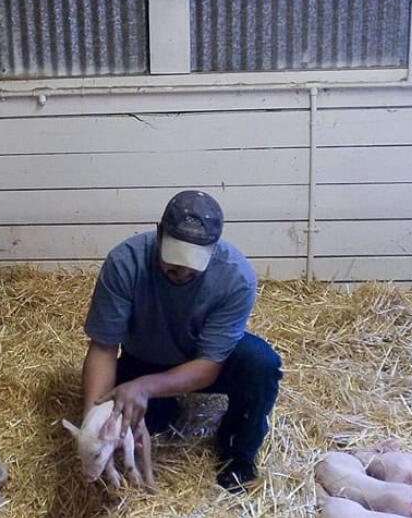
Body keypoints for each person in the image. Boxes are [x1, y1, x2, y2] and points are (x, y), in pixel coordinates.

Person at [80, 189, 282, 492]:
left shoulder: (235, 276)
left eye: (193, 261)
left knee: (261, 364)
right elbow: (104, 348)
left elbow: (209, 365)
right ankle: (166, 406)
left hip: (200, 359)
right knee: (141, 426)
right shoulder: (126, 262)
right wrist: (94, 422)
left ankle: (237, 454)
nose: (182, 269)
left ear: (213, 249)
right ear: (159, 233)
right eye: (174, 257)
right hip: (144, 360)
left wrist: (144, 389)